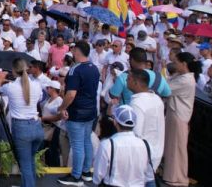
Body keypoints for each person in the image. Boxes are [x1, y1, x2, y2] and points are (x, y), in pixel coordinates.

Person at [0, 58, 44, 187]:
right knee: (30, 160)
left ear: (13, 70)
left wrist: (0, 79)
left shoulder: (10, 87)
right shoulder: (36, 84)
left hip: (22, 128)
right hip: (36, 126)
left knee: (25, 163)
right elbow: (40, 98)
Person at [58, 41, 100, 186]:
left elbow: (71, 94)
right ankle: (86, 172)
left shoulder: (75, 70)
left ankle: (76, 176)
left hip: (77, 112)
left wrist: (62, 108)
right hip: (91, 111)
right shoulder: (94, 68)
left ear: (76, 50)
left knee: (77, 144)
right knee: (86, 141)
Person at [93, 105, 155, 187]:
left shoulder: (107, 145)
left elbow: (98, 175)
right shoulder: (146, 146)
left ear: (115, 122)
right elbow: (149, 177)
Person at [163, 51, 199, 187]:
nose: (174, 65)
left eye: (176, 62)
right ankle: (170, 174)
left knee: (177, 148)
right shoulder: (180, 76)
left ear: (184, 64)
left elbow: (166, 89)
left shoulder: (186, 80)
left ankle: (177, 177)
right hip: (173, 114)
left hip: (179, 116)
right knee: (171, 145)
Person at [127, 69, 164, 187]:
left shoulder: (137, 103)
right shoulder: (157, 99)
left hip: (142, 155)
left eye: (128, 79)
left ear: (135, 82)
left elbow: (136, 133)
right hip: (156, 151)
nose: (126, 81)